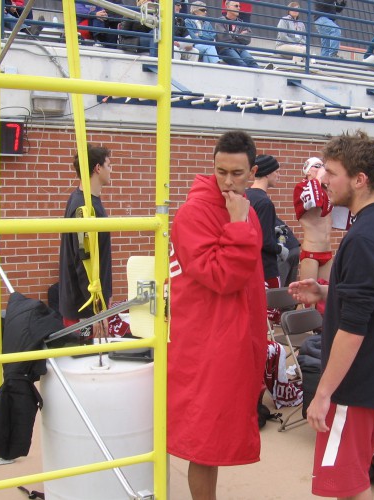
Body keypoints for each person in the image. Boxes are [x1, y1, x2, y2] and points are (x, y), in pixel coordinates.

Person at [289, 131, 374, 499]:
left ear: (359, 179)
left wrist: (323, 393)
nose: (323, 179)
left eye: (331, 172)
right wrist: (329, 292)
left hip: (356, 384)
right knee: (350, 482)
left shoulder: (365, 237)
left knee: (345, 486)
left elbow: (355, 328)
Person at [167, 131, 266, 500]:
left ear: (252, 172)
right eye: (221, 171)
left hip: (233, 337)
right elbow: (222, 276)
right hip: (208, 343)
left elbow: (248, 280)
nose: (227, 181)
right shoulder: (194, 213)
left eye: (237, 173)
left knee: (215, 439)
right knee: (205, 444)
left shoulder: (244, 209)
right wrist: (238, 226)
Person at [58, 145, 113, 341]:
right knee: (88, 361)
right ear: (98, 168)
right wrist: (96, 312)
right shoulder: (83, 207)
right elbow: (84, 261)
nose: (111, 169)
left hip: (88, 306)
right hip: (83, 310)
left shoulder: (87, 200)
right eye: (108, 164)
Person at [246, 154, 287, 291]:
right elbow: (264, 241)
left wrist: (270, 229)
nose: (279, 175)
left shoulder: (245, 195)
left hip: (249, 267)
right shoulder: (265, 202)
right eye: (276, 171)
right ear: (268, 173)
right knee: (270, 310)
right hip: (266, 270)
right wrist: (280, 249)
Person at [294, 157, 333, 282]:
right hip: (311, 251)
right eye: (317, 166)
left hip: (327, 250)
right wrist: (317, 179)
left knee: (324, 298)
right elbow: (314, 201)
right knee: (308, 298)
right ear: (307, 171)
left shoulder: (326, 190)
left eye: (323, 166)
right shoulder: (302, 188)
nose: (322, 169)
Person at [215, 1, 259, 68]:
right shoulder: (220, 22)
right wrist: (239, 35)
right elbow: (224, 39)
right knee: (242, 64)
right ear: (228, 7)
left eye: (239, 6)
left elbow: (247, 39)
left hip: (239, 49)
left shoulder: (242, 23)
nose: (238, 8)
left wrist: (233, 35)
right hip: (226, 49)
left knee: (252, 63)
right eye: (236, 6)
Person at [276, 217, 301, 287]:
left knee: (277, 289)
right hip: (294, 247)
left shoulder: (255, 212)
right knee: (290, 288)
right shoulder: (269, 212)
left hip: (283, 251)